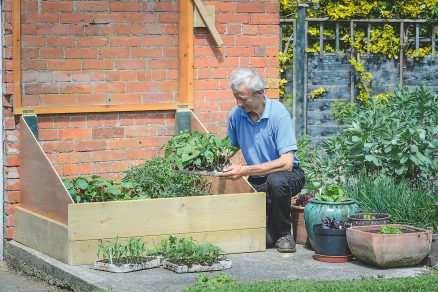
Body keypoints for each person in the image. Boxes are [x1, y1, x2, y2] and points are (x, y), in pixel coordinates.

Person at [218, 68, 305, 253]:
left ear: (259, 93)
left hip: (288, 176)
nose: (238, 103)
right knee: (262, 240)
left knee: (276, 180)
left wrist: (245, 170)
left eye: (243, 98)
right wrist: (211, 161)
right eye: (236, 98)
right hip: (258, 179)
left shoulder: (278, 114)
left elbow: (287, 162)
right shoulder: (236, 115)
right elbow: (231, 147)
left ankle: (284, 234)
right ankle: (271, 231)